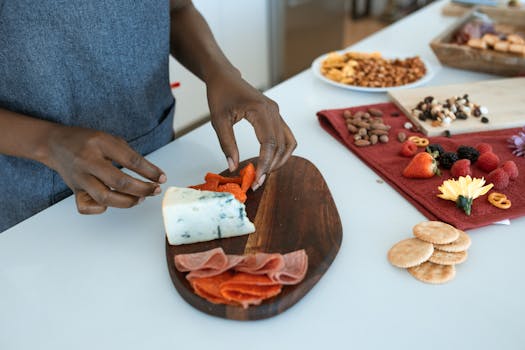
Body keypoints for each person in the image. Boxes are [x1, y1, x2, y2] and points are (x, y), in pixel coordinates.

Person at [0, 0, 297, 233]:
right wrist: (48, 142)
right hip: (38, 202)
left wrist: (220, 71)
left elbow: (177, 8)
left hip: (159, 162)